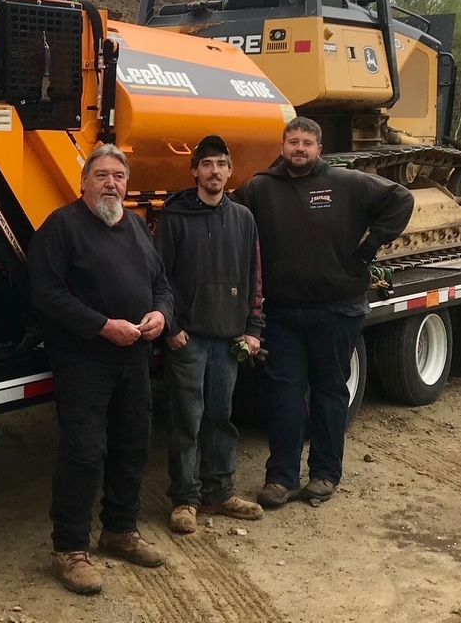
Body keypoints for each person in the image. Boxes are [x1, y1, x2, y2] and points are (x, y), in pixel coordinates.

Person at [238, 117, 413, 508]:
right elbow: (230, 220)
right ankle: (280, 478)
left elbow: (402, 199)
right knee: (284, 395)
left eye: (307, 143)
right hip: (281, 314)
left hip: (337, 310)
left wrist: (369, 248)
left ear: (319, 148)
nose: (299, 149)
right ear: (282, 146)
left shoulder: (346, 183)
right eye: (293, 142)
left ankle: (324, 474)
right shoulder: (260, 188)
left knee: (329, 393)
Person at [28, 143, 174, 595]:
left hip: (133, 357)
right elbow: (47, 294)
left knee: (133, 445)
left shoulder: (136, 228)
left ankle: (120, 531)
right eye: (102, 175)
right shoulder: (62, 227)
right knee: (84, 452)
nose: (112, 183)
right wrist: (101, 326)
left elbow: (163, 286)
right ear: (84, 182)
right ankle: (70, 549)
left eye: (119, 176)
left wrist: (161, 316)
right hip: (84, 360)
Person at [154, 135, 266, 534]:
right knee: (187, 419)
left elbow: (253, 277)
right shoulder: (175, 217)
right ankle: (185, 499)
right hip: (189, 340)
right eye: (207, 164)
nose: (214, 171)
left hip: (229, 338)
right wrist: (172, 328)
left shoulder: (243, 219)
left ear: (230, 170)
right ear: (194, 171)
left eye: (221, 164)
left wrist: (253, 329)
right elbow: (159, 278)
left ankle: (219, 493)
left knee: (221, 417)